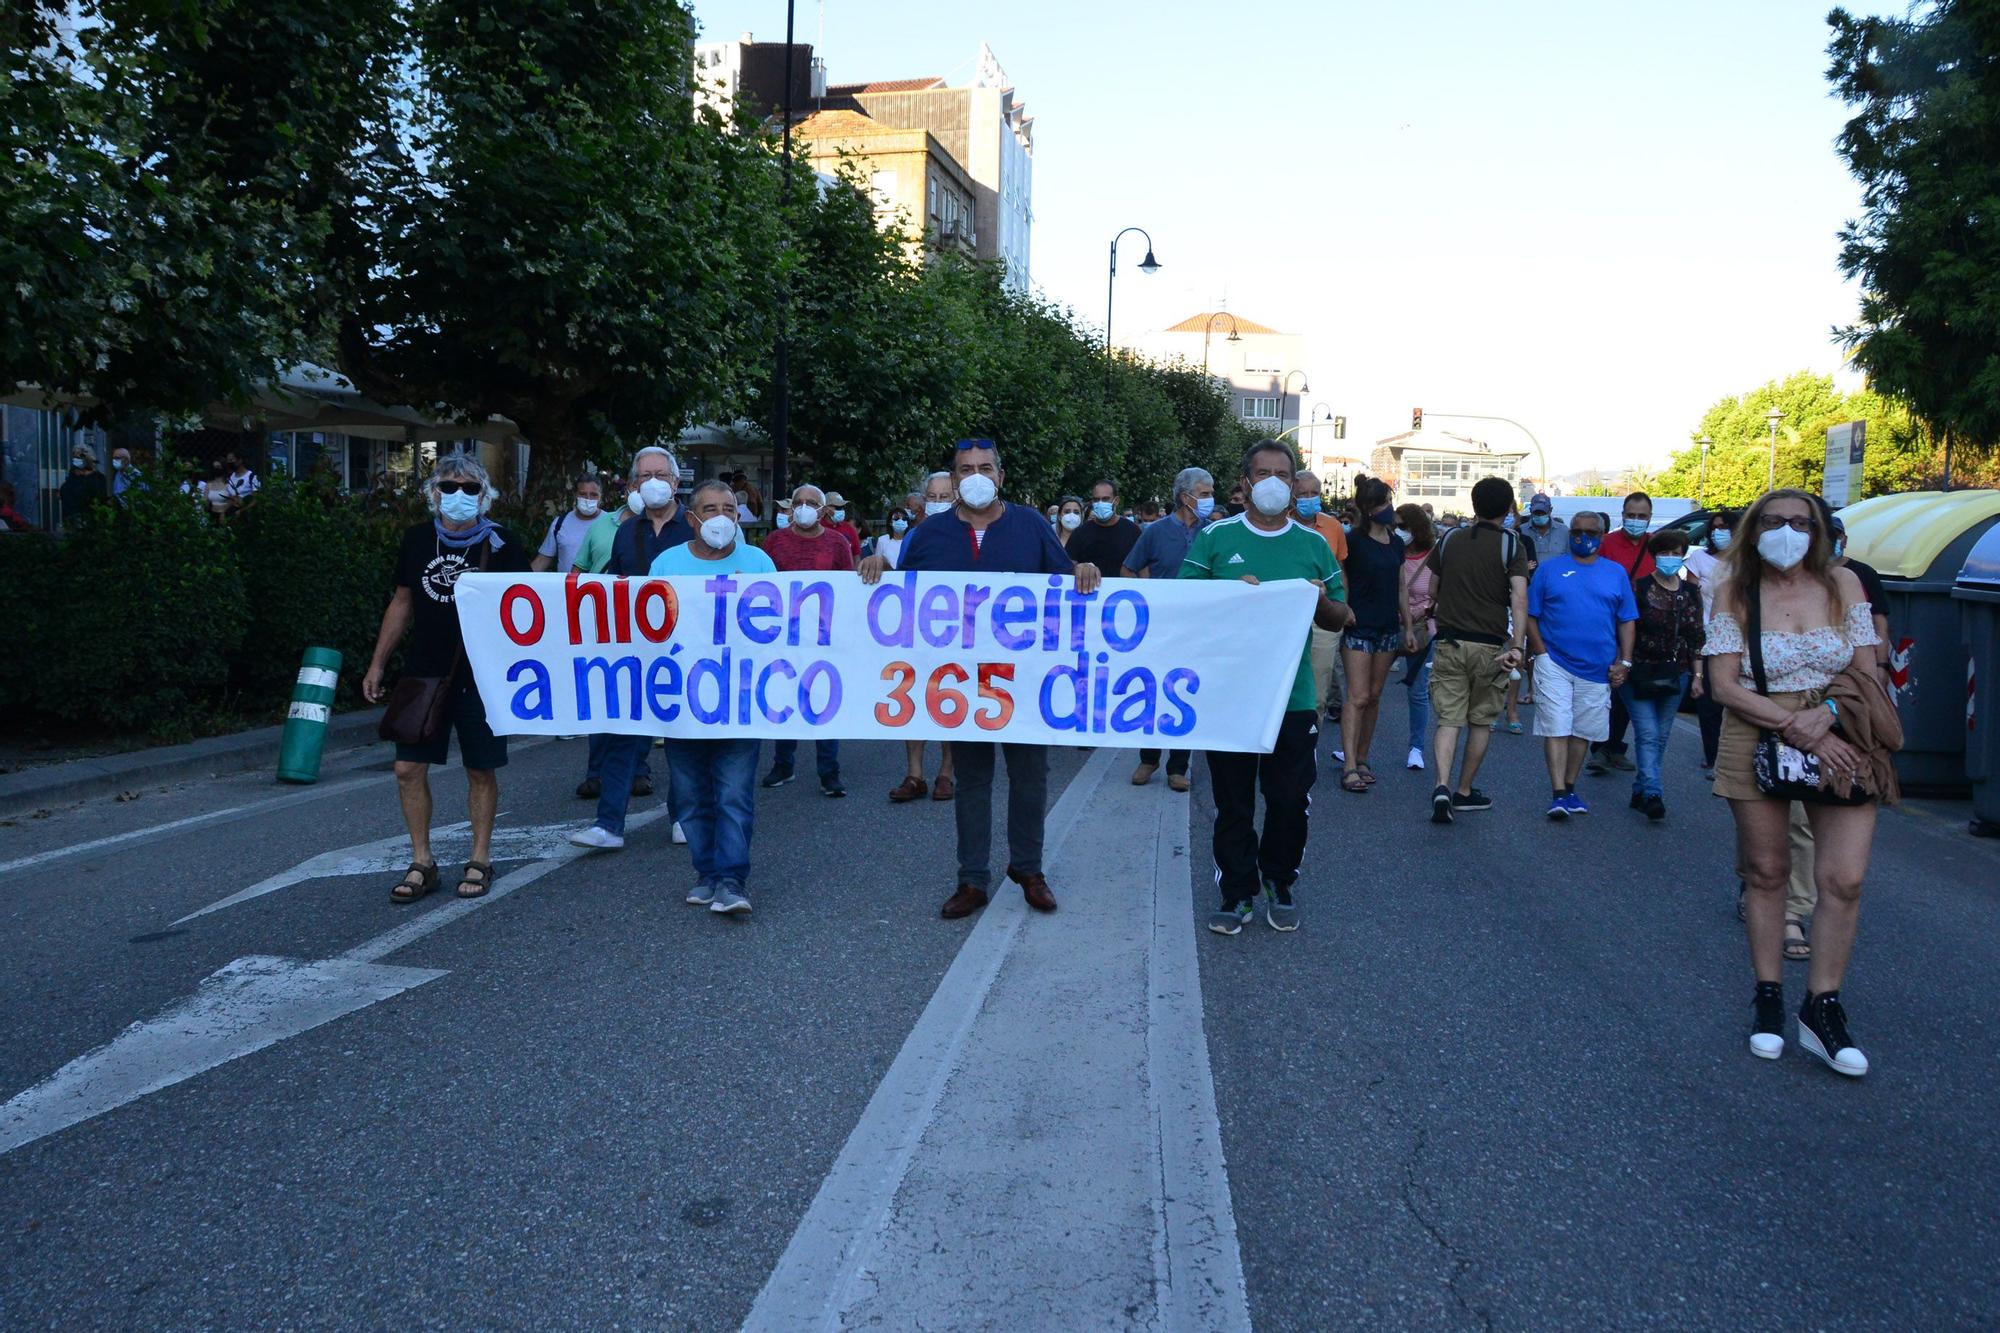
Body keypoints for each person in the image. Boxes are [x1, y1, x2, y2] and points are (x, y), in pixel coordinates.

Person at [857, 439, 1099, 919]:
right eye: (965, 469)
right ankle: (972, 880)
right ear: (953, 479)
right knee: (972, 781)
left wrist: (1083, 569)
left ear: (1001, 476)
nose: (976, 475)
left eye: (985, 467)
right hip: (961, 682)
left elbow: (1064, 577)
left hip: (1023, 680)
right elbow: (909, 598)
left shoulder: (1030, 524)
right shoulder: (930, 533)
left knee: (1030, 778)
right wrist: (881, 568)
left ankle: (1028, 870)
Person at [1705, 489, 1892, 1076]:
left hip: (1841, 724)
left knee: (1845, 879)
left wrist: (1827, 719)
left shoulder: (1845, 587)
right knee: (1767, 872)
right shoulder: (1734, 591)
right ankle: (1768, 999)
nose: (1787, 531)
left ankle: (1823, 1007)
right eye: (1773, 521)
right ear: (1752, 529)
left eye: (1801, 522)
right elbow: (1724, 685)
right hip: (1760, 730)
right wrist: (1794, 725)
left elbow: (1865, 670)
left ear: (1821, 530)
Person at [1181, 439, 1350, 935]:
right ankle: (1236, 892)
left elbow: (1343, 615)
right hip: (1230, 695)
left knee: (1288, 798)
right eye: (1263, 473)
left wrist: (1319, 602)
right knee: (1233, 801)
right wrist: (1228, 595)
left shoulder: (1314, 545)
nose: (1273, 482)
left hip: (1293, 698)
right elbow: (1182, 602)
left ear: (1295, 485)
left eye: (1283, 474)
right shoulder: (1215, 537)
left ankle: (1279, 878)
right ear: (1245, 483)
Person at [362, 453, 530, 902]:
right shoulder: (417, 540)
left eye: (470, 488)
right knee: (407, 768)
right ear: (433, 492)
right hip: (424, 671)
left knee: (480, 768)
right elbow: (401, 603)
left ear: (485, 496)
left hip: (482, 675)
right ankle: (423, 860)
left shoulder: (502, 544)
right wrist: (378, 662)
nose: (459, 496)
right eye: (449, 487)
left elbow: (527, 610)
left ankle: (480, 858)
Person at [647, 481, 776, 916]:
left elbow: (783, 629)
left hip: (740, 700)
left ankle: (732, 881)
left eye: (729, 507)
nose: (720, 515)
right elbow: (649, 629)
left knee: (733, 794)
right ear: (692, 518)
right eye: (710, 508)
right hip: (682, 701)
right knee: (688, 796)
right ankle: (706, 873)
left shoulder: (758, 562)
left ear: (739, 516)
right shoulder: (667, 563)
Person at [570, 447, 690, 844]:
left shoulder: (694, 527)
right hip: (633, 651)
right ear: (634, 485)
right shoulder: (626, 531)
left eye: (660, 474)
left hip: (684, 651)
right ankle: (608, 825)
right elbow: (609, 588)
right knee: (623, 734)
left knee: (681, 738)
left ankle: (684, 818)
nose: (652, 482)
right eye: (644, 476)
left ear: (675, 481)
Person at [1422, 477, 1531, 821]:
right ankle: (1464, 791)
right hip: (1490, 647)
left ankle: (1441, 785)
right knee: (1481, 721)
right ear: (1508, 508)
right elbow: (1519, 597)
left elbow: (1433, 586)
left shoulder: (1450, 538)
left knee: (1449, 719)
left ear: (1474, 504)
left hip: (1450, 641)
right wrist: (1518, 644)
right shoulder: (1512, 545)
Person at [1527, 510, 1636, 818]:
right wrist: (1541, 653)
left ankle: (1571, 787)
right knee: (1556, 727)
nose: (1582, 538)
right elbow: (1531, 615)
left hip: (1598, 669)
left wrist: (1624, 661)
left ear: (1602, 536)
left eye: (1590, 532)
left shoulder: (1615, 574)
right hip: (1555, 663)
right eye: (1576, 532)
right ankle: (1558, 793)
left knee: (1583, 732)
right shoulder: (1550, 570)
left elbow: (1627, 620)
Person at [1121, 465, 1217, 790]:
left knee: (1184, 691)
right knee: (1152, 691)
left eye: (1210, 493)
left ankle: (1179, 767)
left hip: (1197, 629)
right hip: (1159, 629)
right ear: (1184, 496)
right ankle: (1148, 760)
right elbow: (1127, 570)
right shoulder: (1155, 532)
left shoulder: (1214, 532)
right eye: (1204, 494)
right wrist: (1147, 600)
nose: (1209, 499)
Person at [760, 483, 856, 796]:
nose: (803, 506)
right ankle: (783, 765)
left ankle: (829, 772)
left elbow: (847, 590)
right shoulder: (774, 541)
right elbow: (762, 585)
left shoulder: (838, 542)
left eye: (811, 502)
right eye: (798, 501)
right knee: (785, 698)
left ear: (824, 509)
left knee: (823, 703)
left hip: (823, 638)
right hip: (783, 636)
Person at [1620, 529, 1706, 820]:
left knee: (1661, 735)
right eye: (1664, 553)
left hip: (1676, 672)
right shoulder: (1638, 587)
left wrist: (1697, 676)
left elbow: (1696, 637)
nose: (1670, 558)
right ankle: (1654, 793)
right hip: (1639, 671)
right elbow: (1624, 626)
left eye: (1675, 552)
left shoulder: (1692, 592)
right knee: (1648, 732)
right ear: (1654, 556)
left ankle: (1640, 789)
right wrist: (1623, 662)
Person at [1336, 476, 1414, 794]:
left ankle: (1364, 757)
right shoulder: (1352, 541)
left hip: (1386, 627)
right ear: (1367, 508)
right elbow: (1342, 578)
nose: (1387, 508)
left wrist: (1408, 626)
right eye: (1380, 503)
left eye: (1388, 501)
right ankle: (1349, 764)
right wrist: (1343, 609)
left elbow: (1400, 586)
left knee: (1375, 695)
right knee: (1357, 696)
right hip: (1358, 626)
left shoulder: (1396, 543)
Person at [892, 471, 960, 804]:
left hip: (960, 633)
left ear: (957, 497)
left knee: (950, 699)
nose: (937, 503)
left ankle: (946, 773)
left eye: (944, 497)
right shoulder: (914, 537)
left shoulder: (971, 535)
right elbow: (902, 581)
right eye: (931, 497)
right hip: (920, 632)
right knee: (915, 699)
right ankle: (914, 774)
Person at [1587, 491, 1658, 775]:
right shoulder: (1607, 544)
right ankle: (1600, 747)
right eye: (1631, 515)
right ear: (1622, 514)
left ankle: (1612, 746)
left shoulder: (1656, 546)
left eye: (1642, 516)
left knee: (1628, 688)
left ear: (1650, 518)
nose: (1636, 520)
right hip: (1608, 625)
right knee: (1606, 687)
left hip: (1643, 627)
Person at [1685, 509, 1739, 772]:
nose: (1719, 532)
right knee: (1707, 703)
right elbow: (1692, 598)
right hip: (1706, 638)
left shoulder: (1748, 563)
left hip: (1739, 640)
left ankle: (1734, 756)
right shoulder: (1699, 559)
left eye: (1726, 528)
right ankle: (1713, 756)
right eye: (1715, 527)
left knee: (1736, 700)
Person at [1294, 470, 1349, 726]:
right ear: (1292, 497)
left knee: (1317, 694)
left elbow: (1340, 570)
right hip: (1288, 615)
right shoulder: (1280, 523)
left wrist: (1342, 606)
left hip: (1322, 616)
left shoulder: (1333, 527)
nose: (1308, 499)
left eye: (1313, 493)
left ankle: (1309, 748)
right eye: (1302, 494)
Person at [1396, 503, 1439, 772]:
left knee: (1418, 690)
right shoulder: (1391, 551)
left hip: (1425, 628)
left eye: (1403, 526)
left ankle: (1416, 748)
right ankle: (1355, 749)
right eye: (1395, 526)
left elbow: (1443, 592)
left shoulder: (1436, 554)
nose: (1398, 531)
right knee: (1369, 692)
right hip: (1391, 624)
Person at [1065, 477, 1142, 574]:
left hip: (1123, 588)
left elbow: (1143, 566)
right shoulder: (1080, 533)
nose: (1100, 503)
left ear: (1116, 501)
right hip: (1090, 588)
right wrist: (1079, 568)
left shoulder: (1132, 531)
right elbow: (1068, 566)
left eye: (1105, 499)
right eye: (1096, 499)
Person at [531, 474, 605, 573]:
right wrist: (521, 582)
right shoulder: (560, 523)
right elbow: (542, 560)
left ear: (600, 496)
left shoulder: (611, 522)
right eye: (583, 494)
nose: (588, 498)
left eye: (594, 494)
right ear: (575, 495)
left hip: (602, 587)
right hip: (567, 587)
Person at [58, 443, 108, 531]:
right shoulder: (72, 475)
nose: (77, 460)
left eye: (80, 457)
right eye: (75, 457)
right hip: (71, 521)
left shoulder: (98, 478)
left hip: (89, 523)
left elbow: (98, 498)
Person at [823, 490, 861, 558]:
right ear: (826, 508)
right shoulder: (817, 527)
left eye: (842, 507)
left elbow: (856, 556)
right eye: (838, 507)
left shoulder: (849, 529)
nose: (841, 510)